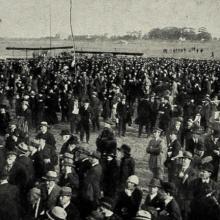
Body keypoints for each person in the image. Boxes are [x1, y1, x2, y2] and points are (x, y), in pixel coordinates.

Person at [173, 151, 197, 220]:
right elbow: (173, 182)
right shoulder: (177, 169)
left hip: (186, 199)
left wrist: (185, 178)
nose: (183, 160)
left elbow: (192, 185)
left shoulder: (193, 172)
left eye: (186, 159)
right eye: (182, 158)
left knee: (185, 216)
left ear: (189, 160)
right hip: (176, 197)